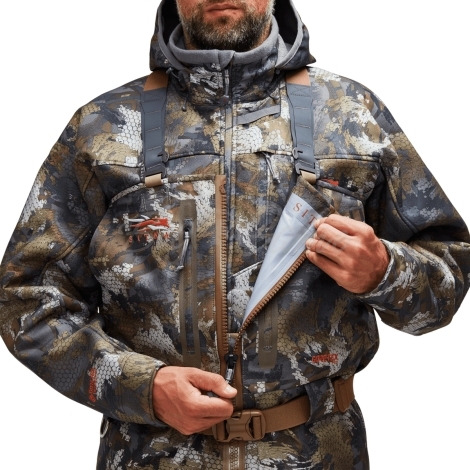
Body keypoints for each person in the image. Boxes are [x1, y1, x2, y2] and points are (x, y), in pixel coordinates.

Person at [0, 0, 468, 469]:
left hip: (321, 456)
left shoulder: (352, 115)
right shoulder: (101, 128)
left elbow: (448, 272)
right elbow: (25, 299)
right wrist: (142, 387)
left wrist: (385, 272)